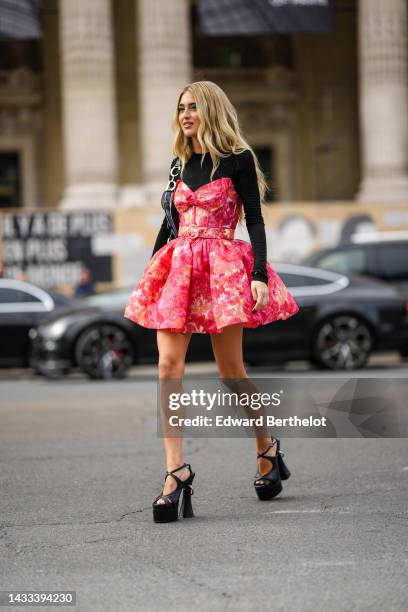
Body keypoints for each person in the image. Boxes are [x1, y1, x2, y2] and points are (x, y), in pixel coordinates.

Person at [124, 80, 300, 523]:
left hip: (222, 268)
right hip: (179, 267)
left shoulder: (239, 159)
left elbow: (255, 220)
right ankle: (175, 472)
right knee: (167, 366)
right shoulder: (178, 164)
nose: (185, 114)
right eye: (181, 107)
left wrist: (258, 274)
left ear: (212, 111)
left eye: (194, 107)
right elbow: (169, 224)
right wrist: (151, 273)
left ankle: (267, 446)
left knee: (231, 372)